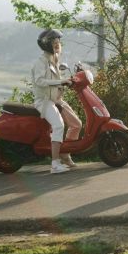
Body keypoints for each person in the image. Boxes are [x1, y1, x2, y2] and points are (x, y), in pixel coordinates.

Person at [32, 29, 83, 173]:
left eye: (58, 42)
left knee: (76, 124)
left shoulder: (54, 59)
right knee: (59, 125)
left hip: (56, 99)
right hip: (45, 101)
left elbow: (57, 81)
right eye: (54, 43)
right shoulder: (40, 62)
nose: (58, 44)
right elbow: (39, 81)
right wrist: (60, 81)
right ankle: (55, 164)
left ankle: (65, 155)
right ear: (47, 45)